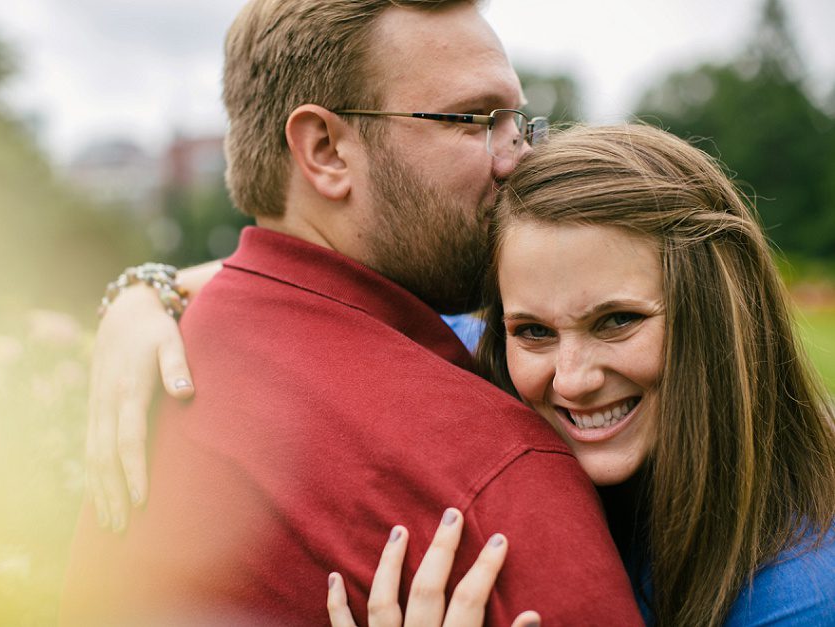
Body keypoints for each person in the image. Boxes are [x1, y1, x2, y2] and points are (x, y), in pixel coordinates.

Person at [60, 1, 643, 625]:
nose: (517, 157)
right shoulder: (496, 479)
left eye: (517, 121)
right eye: (476, 120)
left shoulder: (166, 370)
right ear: (326, 151)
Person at [325, 124, 835, 626]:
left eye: (617, 321)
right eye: (534, 331)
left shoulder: (801, 594)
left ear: (719, 314)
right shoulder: (469, 353)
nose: (571, 381)